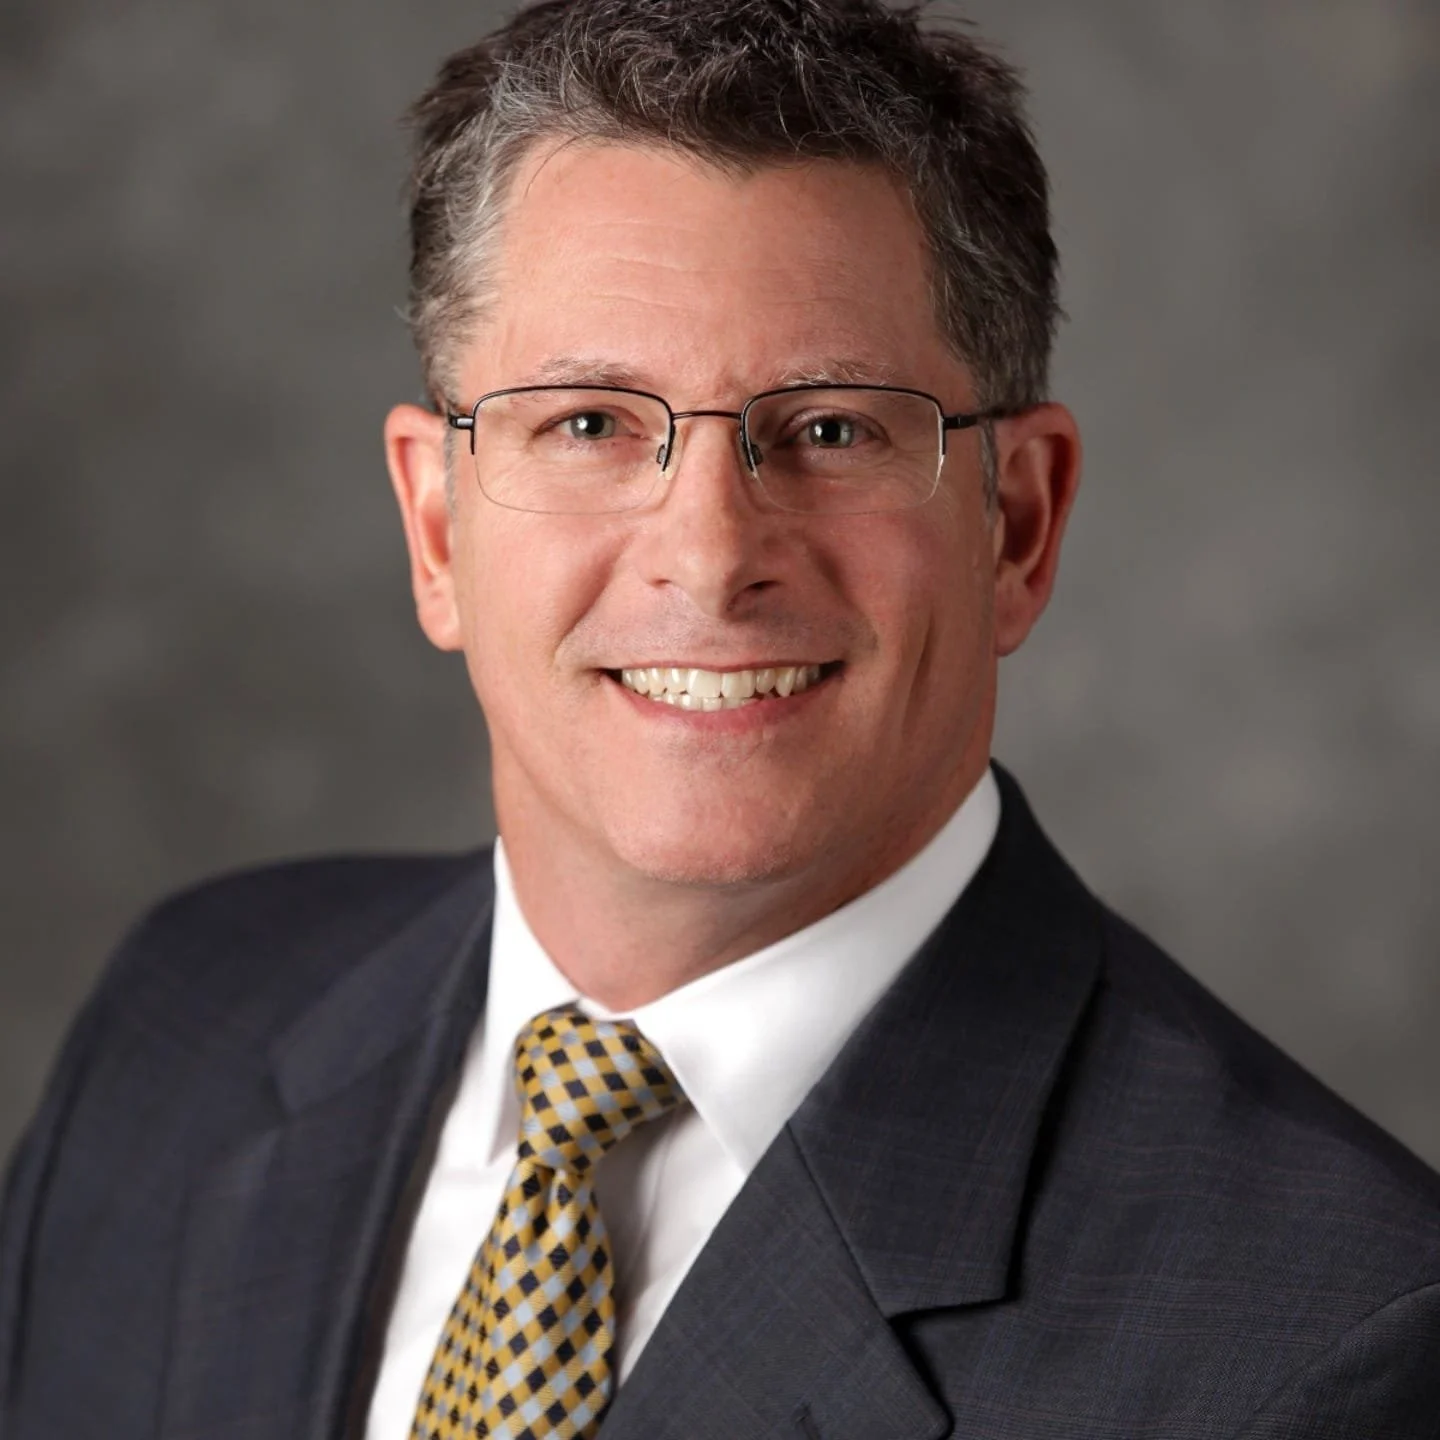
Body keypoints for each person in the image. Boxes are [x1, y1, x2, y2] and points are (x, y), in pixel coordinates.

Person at [4, 0, 1439, 1435]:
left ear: (1016, 526)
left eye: (829, 430)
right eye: (587, 424)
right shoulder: (180, 1025)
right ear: (435, 528)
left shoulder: (1326, 1342)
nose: (708, 551)